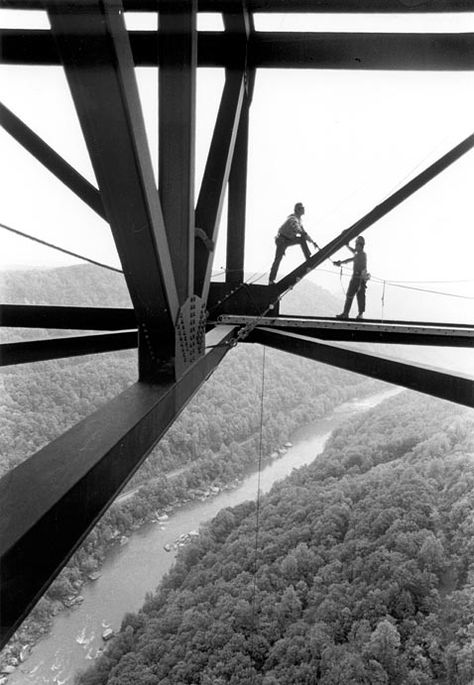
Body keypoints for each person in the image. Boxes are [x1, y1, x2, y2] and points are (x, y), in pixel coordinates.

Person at [268, 202, 319, 284]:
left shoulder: (298, 220)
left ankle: (308, 257)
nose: (304, 210)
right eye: (302, 208)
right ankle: (271, 280)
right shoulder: (293, 218)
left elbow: (304, 233)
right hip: (282, 240)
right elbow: (296, 227)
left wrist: (313, 242)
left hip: (288, 239)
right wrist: (302, 232)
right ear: (298, 210)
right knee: (277, 260)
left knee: (302, 239)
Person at [333, 235, 369, 320]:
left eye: (356, 245)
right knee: (355, 296)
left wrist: (340, 262)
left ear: (360, 245)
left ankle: (350, 314)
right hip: (358, 278)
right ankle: (353, 314)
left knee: (354, 296)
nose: (356, 246)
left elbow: (351, 258)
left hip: (358, 279)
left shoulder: (361, 255)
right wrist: (347, 246)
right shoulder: (360, 254)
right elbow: (353, 253)